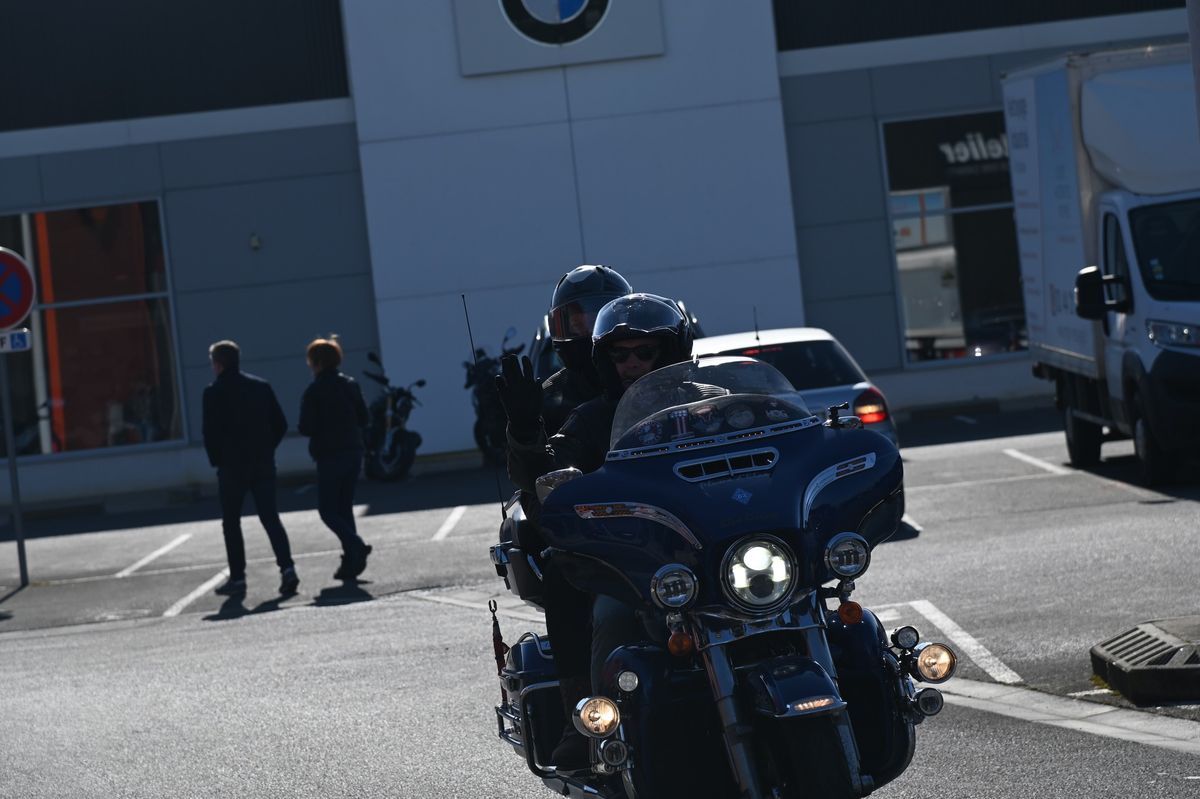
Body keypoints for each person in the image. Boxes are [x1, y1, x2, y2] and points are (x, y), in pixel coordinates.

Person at [496, 293, 694, 769]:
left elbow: (779, 434)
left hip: (716, 549)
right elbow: (544, 473)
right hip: (637, 559)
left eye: (644, 352)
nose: (632, 364)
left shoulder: (711, 403)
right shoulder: (591, 418)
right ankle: (590, 722)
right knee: (608, 612)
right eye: (620, 355)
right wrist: (524, 431)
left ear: (670, 352)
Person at [201, 340, 299, 596]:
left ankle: (238, 578)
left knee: (231, 522)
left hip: (231, 467)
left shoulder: (213, 393)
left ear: (218, 364)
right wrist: (267, 448)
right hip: (262, 462)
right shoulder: (260, 386)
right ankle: (287, 568)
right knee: (270, 517)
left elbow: (209, 433)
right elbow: (280, 424)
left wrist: (218, 460)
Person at [298, 337, 372, 581]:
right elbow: (364, 418)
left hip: (329, 454)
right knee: (344, 507)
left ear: (317, 362)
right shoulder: (350, 384)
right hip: (353, 451)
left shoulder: (314, 390)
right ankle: (351, 560)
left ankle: (356, 546)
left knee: (328, 510)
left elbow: (306, 426)